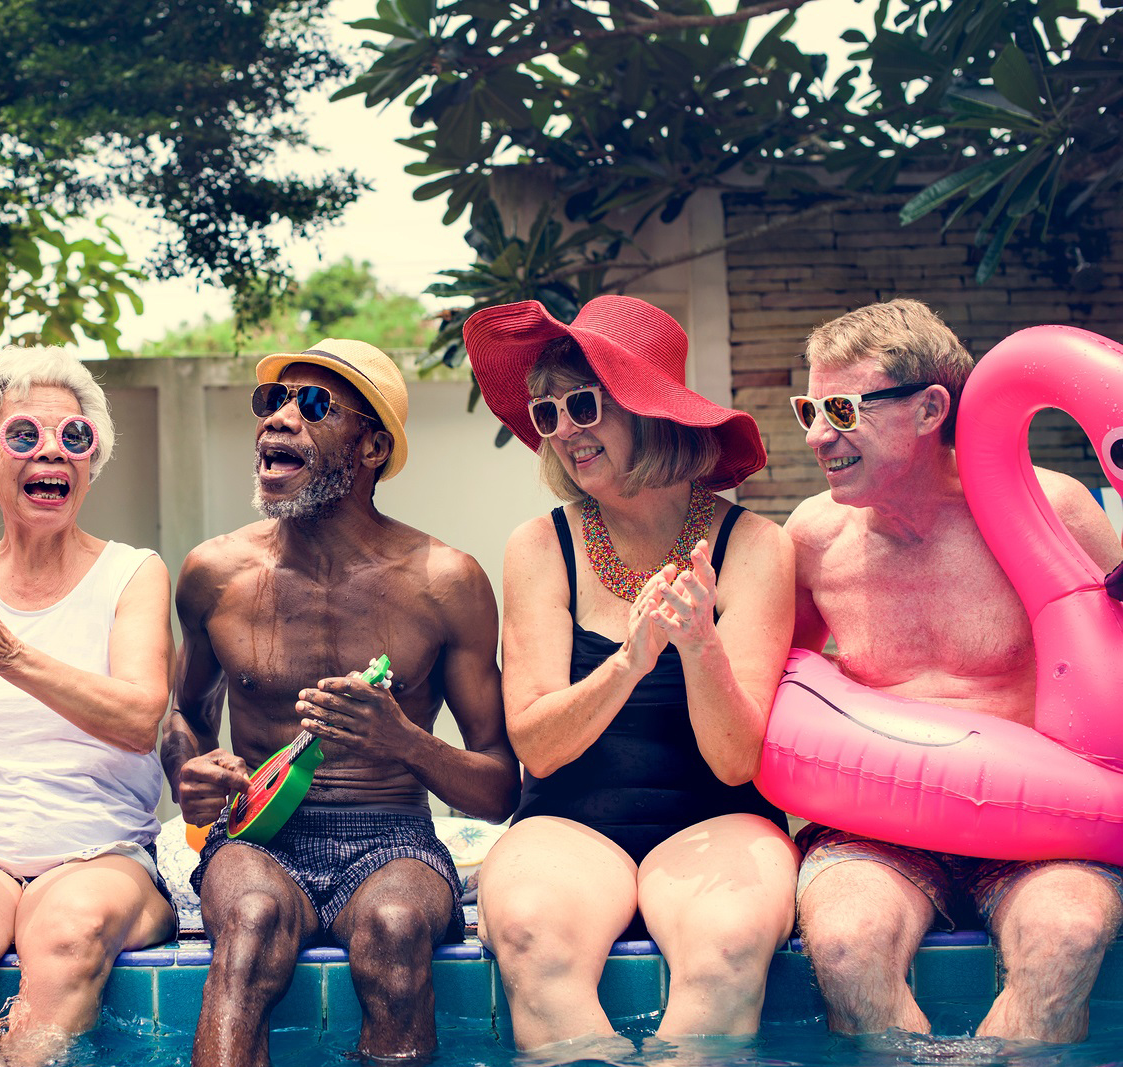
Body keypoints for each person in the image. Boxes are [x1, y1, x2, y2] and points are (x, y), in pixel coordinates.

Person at [162, 338, 519, 1067]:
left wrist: (405, 741)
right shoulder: (214, 573)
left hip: (393, 835)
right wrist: (191, 774)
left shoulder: (444, 581)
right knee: (252, 921)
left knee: (394, 927)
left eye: (314, 404)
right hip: (259, 838)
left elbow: (500, 785)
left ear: (372, 445)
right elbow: (185, 718)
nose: (279, 419)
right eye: (273, 401)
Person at [464, 296, 800, 1048]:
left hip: (717, 819)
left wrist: (698, 642)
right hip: (569, 823)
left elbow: (736, 758)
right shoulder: (540, 545)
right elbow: (539, 746)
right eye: (547, 414)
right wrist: (631, 657)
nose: (565, 430)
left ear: (647, 408)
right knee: (528, 937)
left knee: (730, 946)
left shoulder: (755, 547)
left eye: (583, 403)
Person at [786, 298, 1123, 1042]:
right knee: (844, 948)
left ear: (932, 406)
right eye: (808, 407)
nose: (816, 435)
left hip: (1042, 825)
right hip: (878, 828)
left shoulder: (1051, 511)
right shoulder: (815, 539)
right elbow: (787, 682)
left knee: (1066, 937)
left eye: (840, 407)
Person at [0, 346, 176, 1067]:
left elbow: (142, 720)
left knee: (70, 932)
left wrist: (15, 658)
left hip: (99, 848)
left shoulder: (132, 574)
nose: (53, 452)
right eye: (24, 436)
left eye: (75, 437)